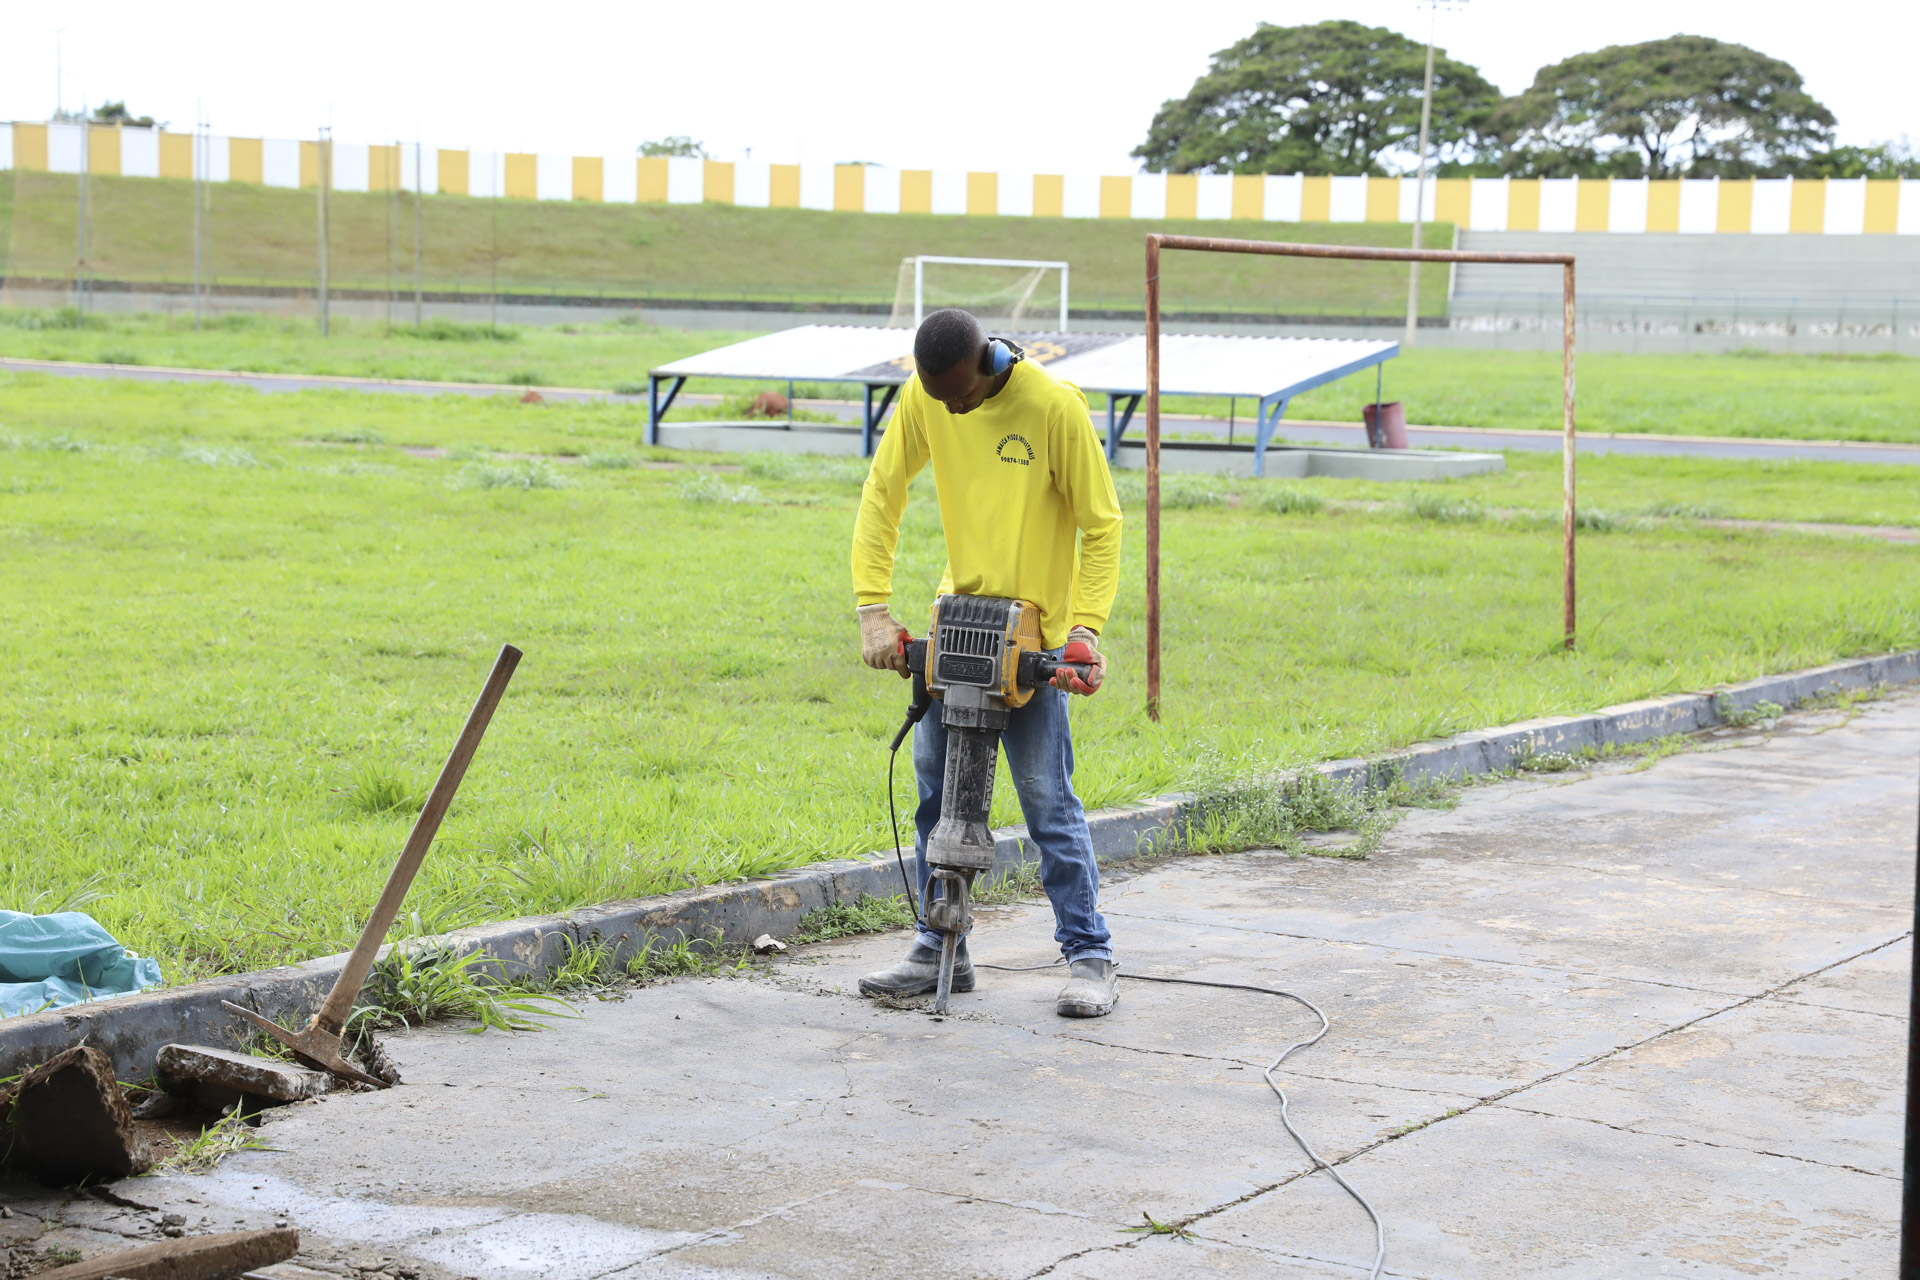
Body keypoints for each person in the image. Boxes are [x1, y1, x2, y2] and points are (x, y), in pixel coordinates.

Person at [849, 308, 1124, 1018]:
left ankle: (1090, 954)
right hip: (959, 624)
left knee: (1046, 802)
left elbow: (1102, 526)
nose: (952, 410)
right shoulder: (926, 395)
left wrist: (1085, 632)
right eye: (939, 399)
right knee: (936, 800)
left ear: (984, 364)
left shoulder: (1052, 407)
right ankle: (939, 947)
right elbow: (884, 492)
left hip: (1035, 642)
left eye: (960, 396)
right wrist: (872, 608)